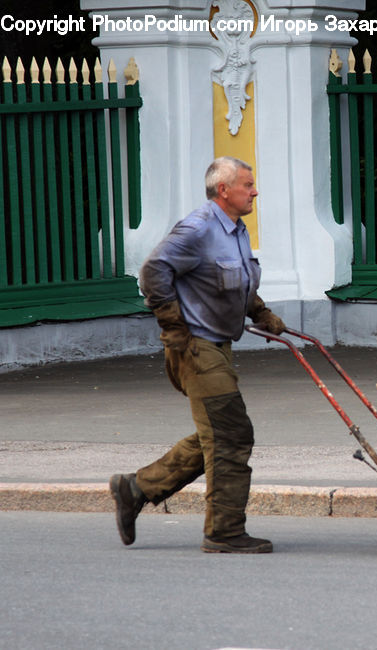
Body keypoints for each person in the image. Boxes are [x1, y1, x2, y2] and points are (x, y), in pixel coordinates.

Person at [110, 156, 285, 554]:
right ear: (223, 190)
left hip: (218, 346)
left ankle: (136, 488)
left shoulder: (235, 230)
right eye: (247, 185)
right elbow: (152, 271)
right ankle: (223, 532)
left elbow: (229, 280)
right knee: (230, 436)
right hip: (195, 349)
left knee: (220, 433)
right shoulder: (198, 228)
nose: (254, 191)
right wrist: (174, 328)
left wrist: (261, 313)